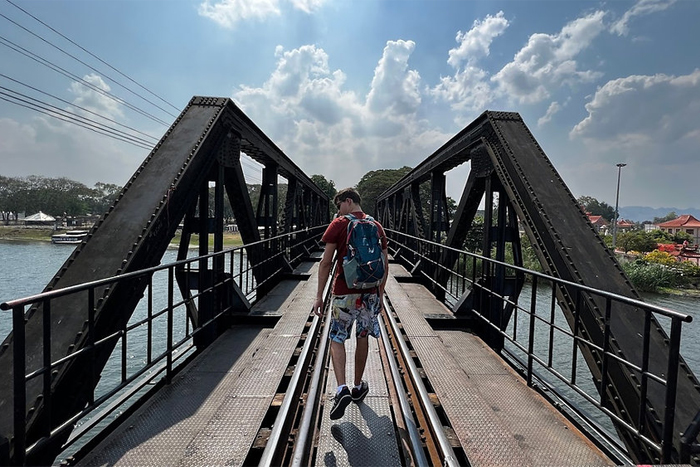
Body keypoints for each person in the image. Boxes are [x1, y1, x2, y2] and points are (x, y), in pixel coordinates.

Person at [313, 187, 389, 420]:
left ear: (348, 201)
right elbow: (385, 264)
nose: (338, 211)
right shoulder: (377, 226)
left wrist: (319, 295)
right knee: (362, 337)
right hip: (370, 293)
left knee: (337, 338)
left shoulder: (339, 225)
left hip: (345, 292)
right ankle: (357, 386)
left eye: (339, 205)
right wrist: (380, 294)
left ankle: (341, 389)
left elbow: (326, 263)